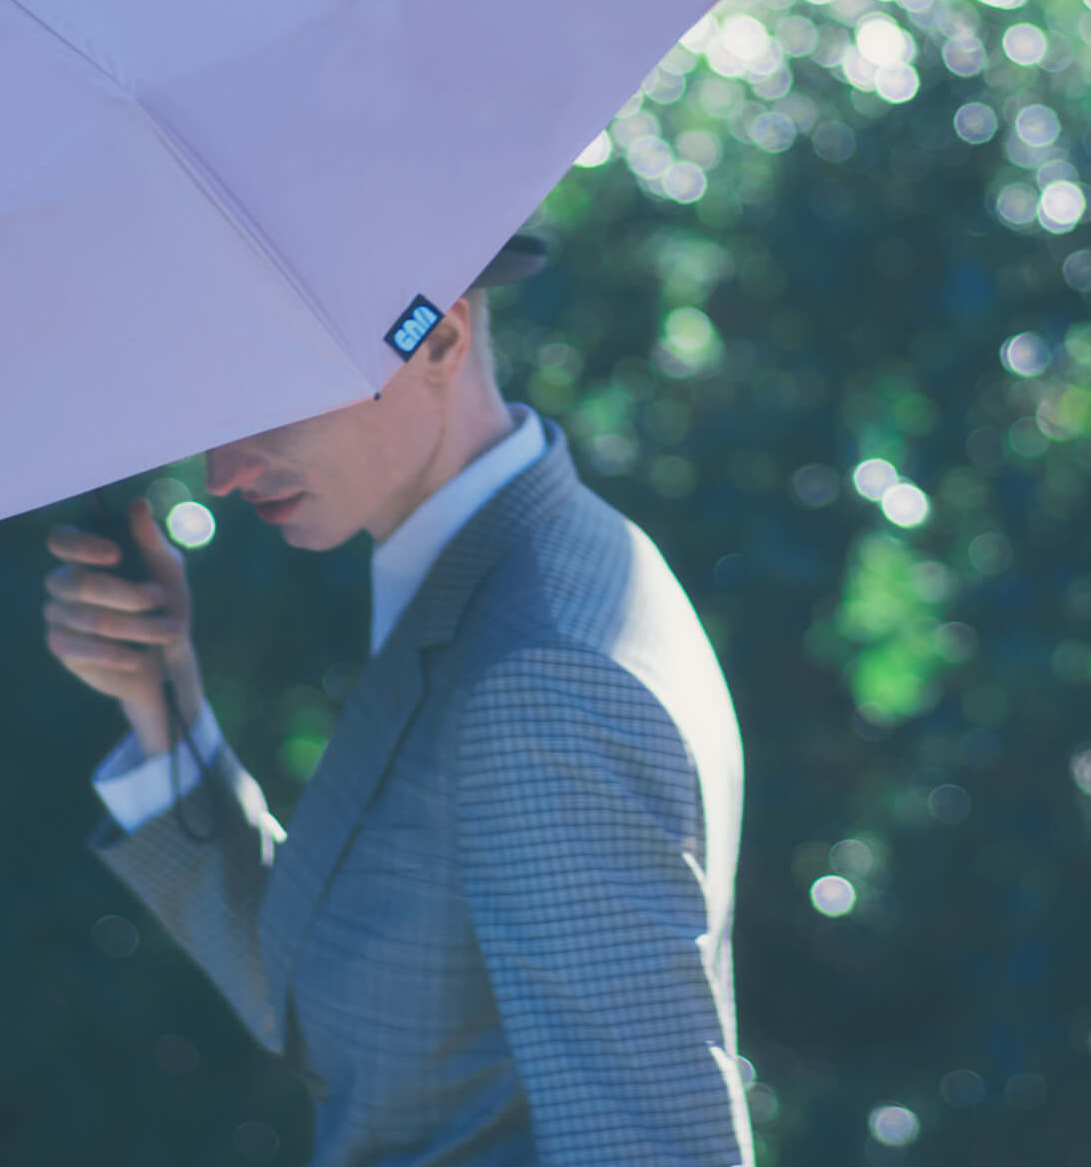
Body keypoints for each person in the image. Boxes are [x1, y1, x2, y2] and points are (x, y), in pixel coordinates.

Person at [41, 236, 750, 1166]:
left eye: (263, 400)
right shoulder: (526, 571)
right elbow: (358, 1003)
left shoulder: (539, 679)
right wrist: (161, 697)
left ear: (437, 338)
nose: (223, 471)